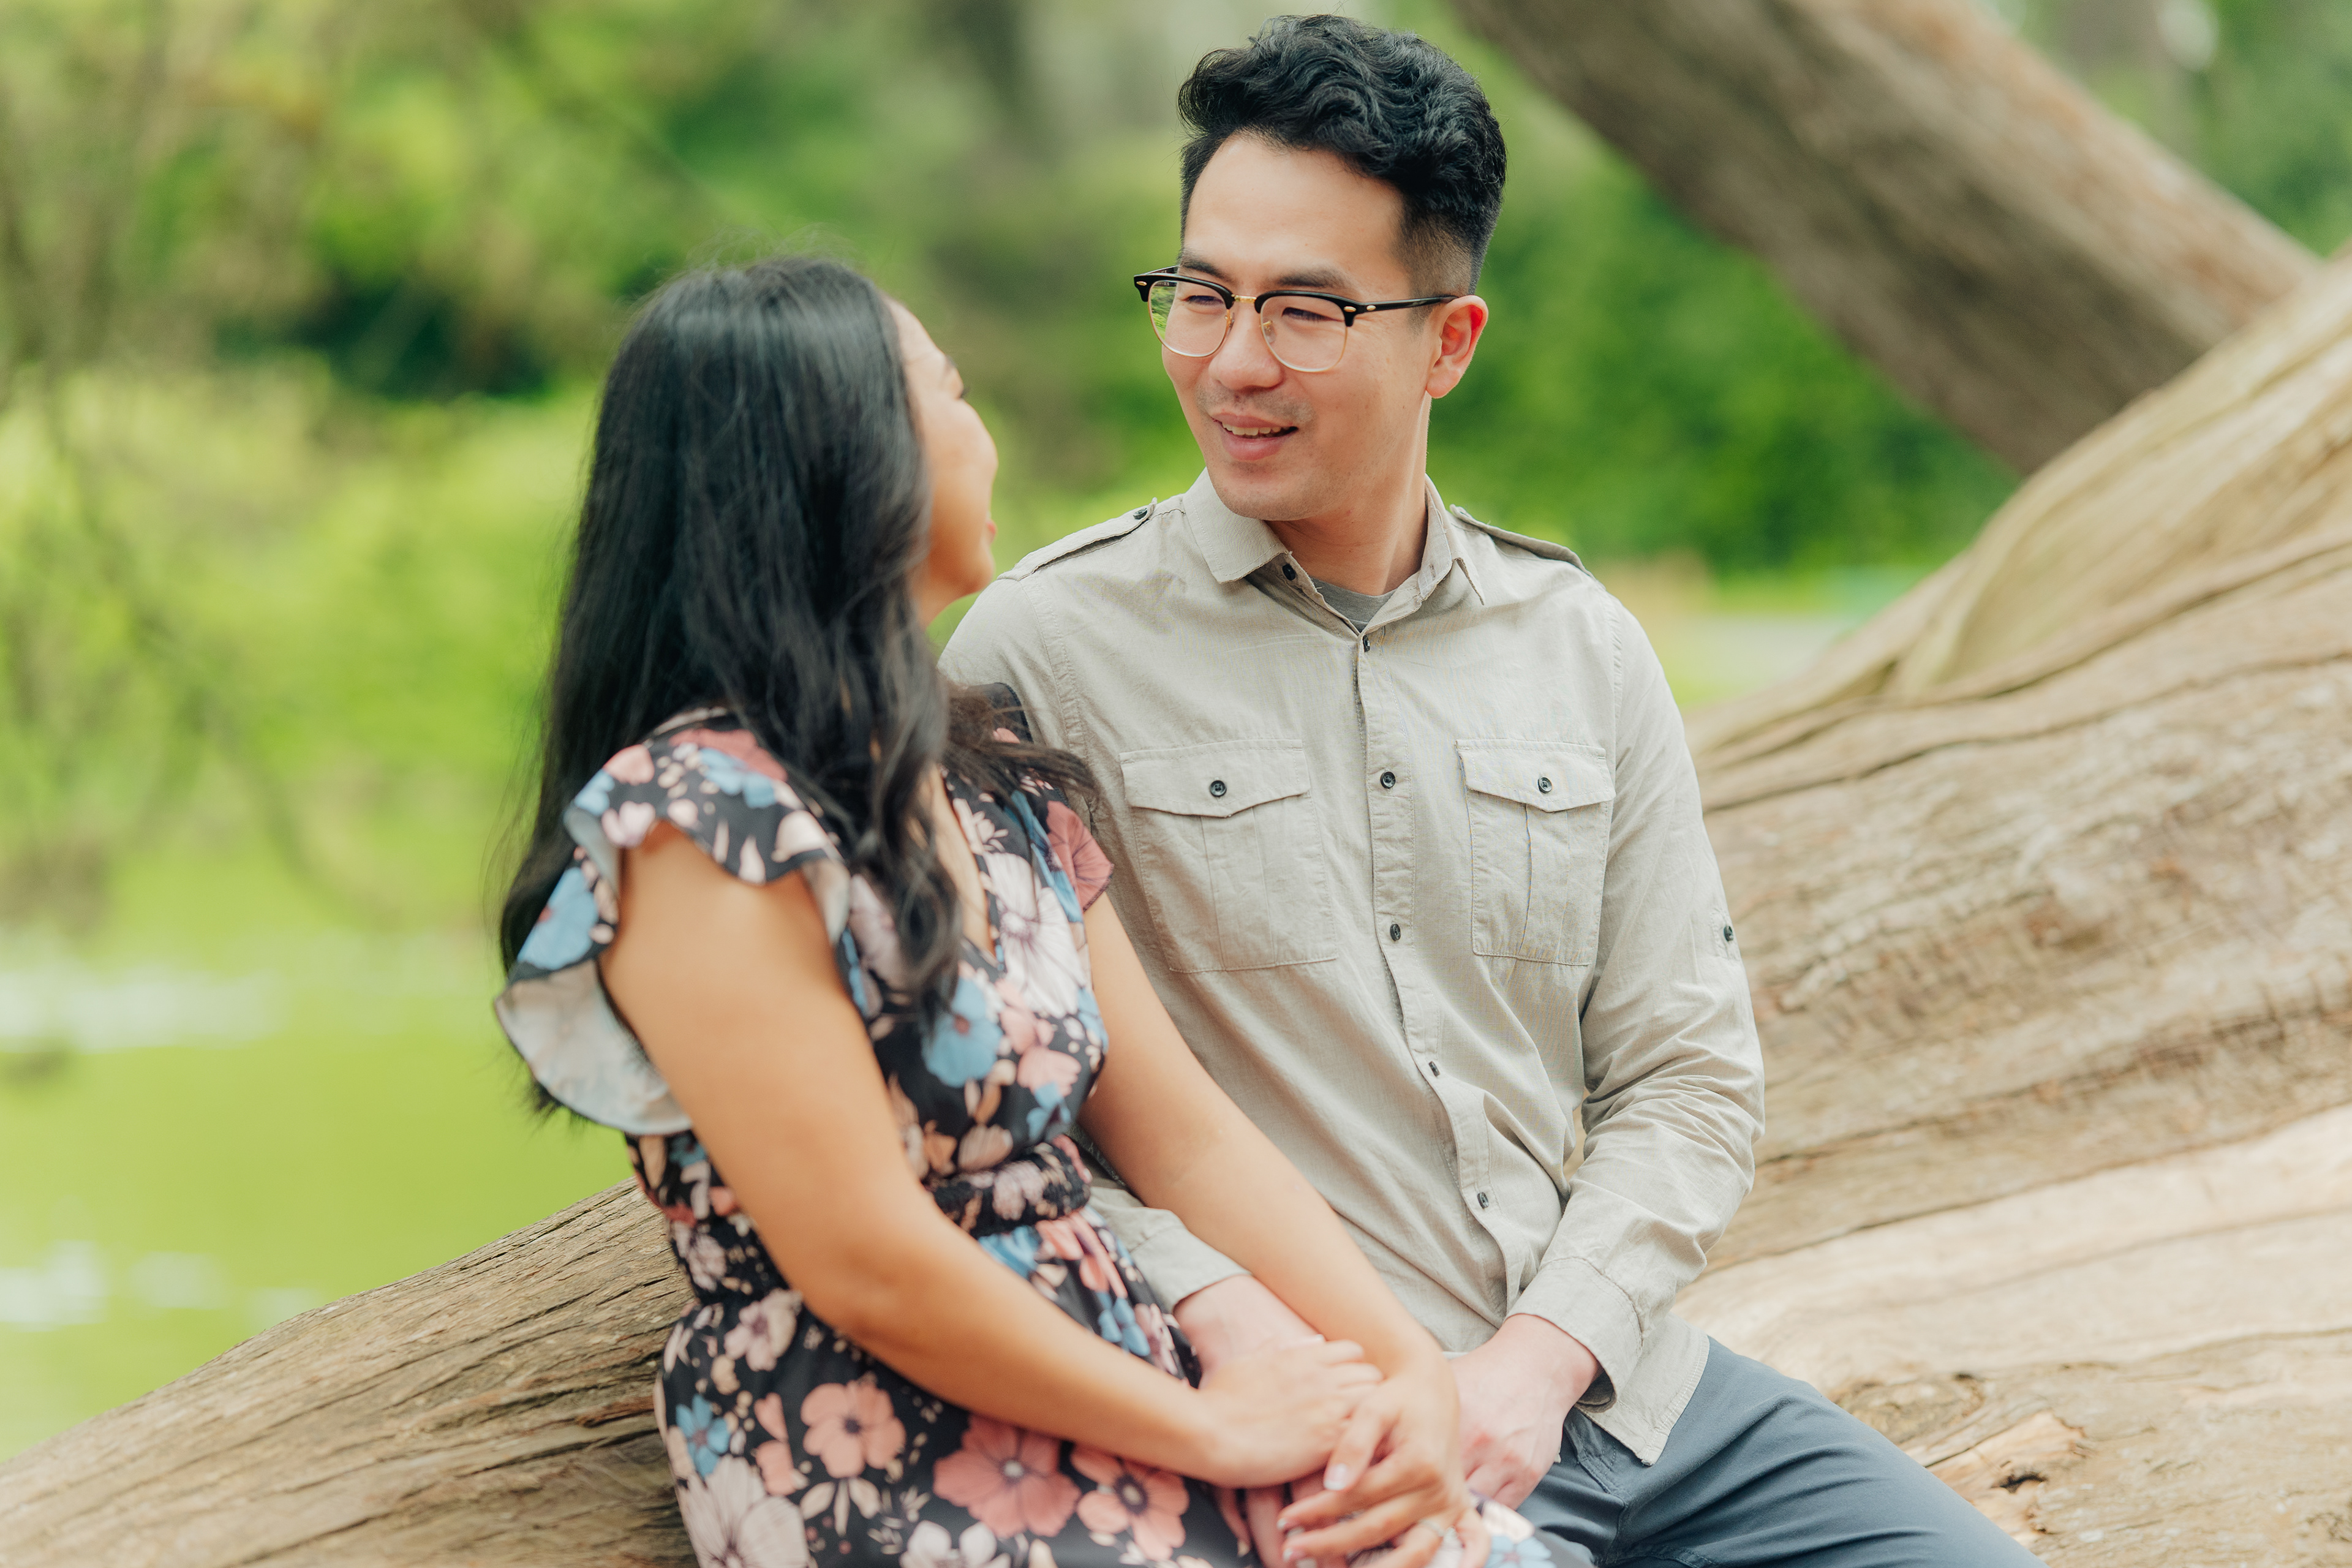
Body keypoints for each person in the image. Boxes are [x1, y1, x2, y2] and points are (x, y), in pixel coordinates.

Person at [943, 17, 2041, 1567]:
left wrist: (1538, 1361)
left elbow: (1688, 1074)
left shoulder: (1580, 645)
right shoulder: (1038, 656)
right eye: (1200, 293)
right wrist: (1237, 1322)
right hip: (1326, 1427)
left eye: (1306, 309)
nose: (1233, 359)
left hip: (1620, 1391)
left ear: (1449, 342)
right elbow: (999, 1125)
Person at [493, 254, 1566, 1568]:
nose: (980, 428)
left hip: (1131, 1379)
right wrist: (1209, 1430)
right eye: (947, 390)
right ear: (841, 457)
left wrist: (1405, 1368)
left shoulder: (990, 786)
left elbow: (1189, 1141)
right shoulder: (696, 823)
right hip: (880, 1447)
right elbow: (865, 1259)